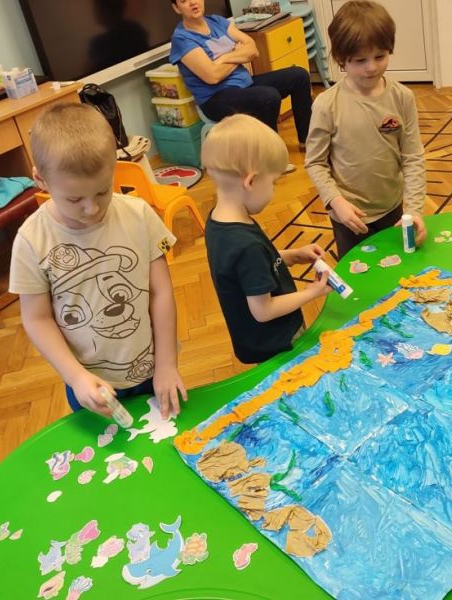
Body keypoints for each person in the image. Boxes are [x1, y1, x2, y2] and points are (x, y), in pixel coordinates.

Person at [9, 103, 187, 419]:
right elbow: (36, 319)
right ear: (40, 179)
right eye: (74, 199)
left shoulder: (139, 215)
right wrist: (75, 376)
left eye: (103, 192)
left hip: (153, 368)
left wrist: (167, 364)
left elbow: (161, 292)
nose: (92, 209)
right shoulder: (31, 241)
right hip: (89, 382)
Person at [202, 114, 331, 364]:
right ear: (251, 181)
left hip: (256, 339)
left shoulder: (219, 221)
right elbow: (264, 310)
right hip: (275, 342)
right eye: (273, 183)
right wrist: (311, 293)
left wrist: (292, 256)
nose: (273, 191)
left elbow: (247, 271)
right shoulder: (245, 245)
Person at [305, 0, 427, 258]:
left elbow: (413, 157)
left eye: (380, 56)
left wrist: (414, 209)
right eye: (360, 60)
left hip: (393, 209)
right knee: (356, 273)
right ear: (341, 59)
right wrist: (336, 202)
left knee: (397, 270)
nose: (371, 67)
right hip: (348, 215)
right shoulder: (327, 105)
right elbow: (315, 162)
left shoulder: (402, 97)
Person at [169, 0, 313, 149]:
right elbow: (212, 76)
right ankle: (269, 153)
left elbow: (253, 50)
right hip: (215, 99)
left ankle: (307, 142)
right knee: (268, 97)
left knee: (299, 76)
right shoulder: (182, 39)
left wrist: (224, 58)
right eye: (184, 1)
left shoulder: (217, 22)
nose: (193, 2)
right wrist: (238, 54)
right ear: (176, 8)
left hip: (245, 85)